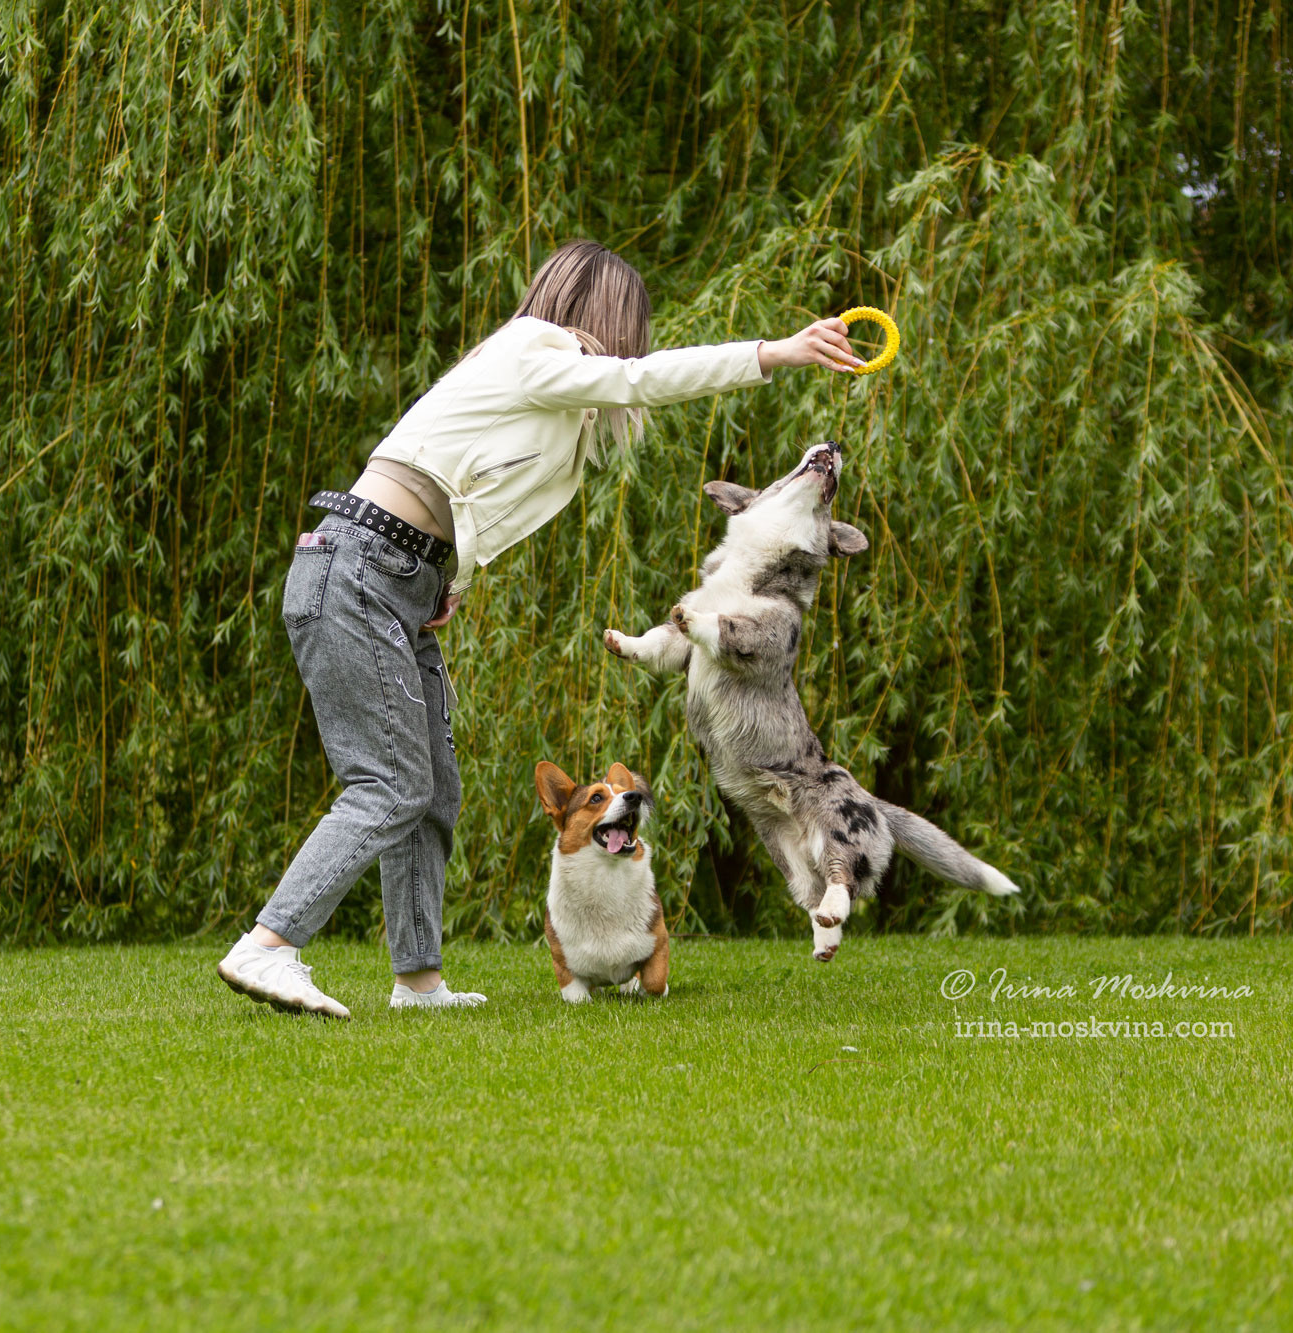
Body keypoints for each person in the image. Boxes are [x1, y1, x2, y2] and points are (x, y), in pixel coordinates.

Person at [216, 239, 865, 1018]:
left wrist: (446, 577)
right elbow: (638, 378)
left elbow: (454, 479)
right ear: (607, 316)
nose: (633, 347)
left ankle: (418, 982)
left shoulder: (544, 394)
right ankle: (270, 943)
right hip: (358, 569)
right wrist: (773, 352)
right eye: (632, 329)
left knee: (432, 790)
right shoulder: (533, 347)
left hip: (396, 576)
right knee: (388, 783)